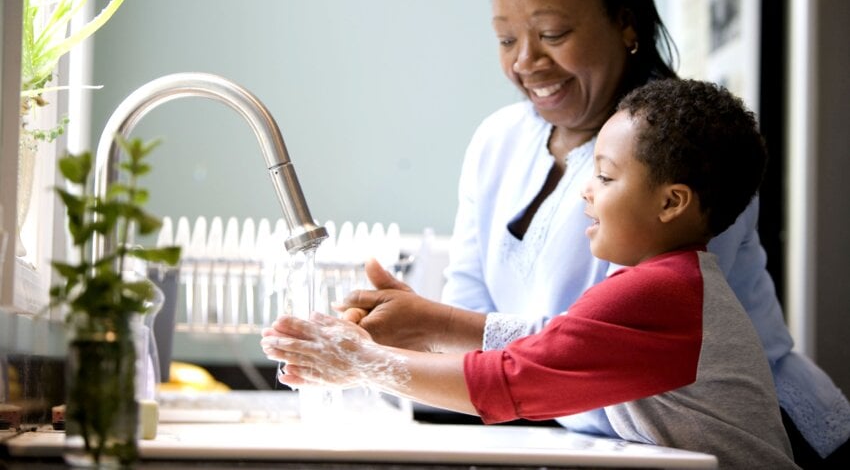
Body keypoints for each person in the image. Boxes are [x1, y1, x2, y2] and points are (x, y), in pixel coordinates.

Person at [334, 0, 850, 467]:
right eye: (506, 39)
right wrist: (420, 324)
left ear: (626, 23)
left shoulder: (683, 153)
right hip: (601, 435)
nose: (525, 62)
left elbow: (591, 350)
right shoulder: (496, 142)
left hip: (748, 434)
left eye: (552, 34)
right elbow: (486, 326)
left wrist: (385, 351)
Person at [262, 79, 797, 469]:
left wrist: (360, 362)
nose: (586, 189)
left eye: (606, 176)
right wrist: (433, 323)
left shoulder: (661, 291)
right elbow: (556, 342)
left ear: (671, 203)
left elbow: (510, 381)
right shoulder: (672, 282)